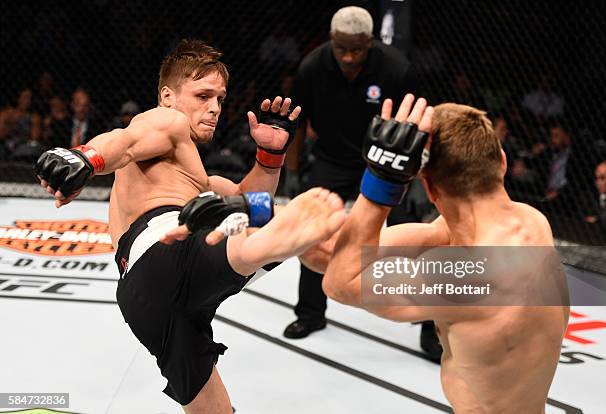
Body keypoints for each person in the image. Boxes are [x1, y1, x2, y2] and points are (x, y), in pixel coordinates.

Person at [34, 39, 346, 414]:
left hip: (146, 298)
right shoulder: (168, 120)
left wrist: (270, 158)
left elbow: (247, 204)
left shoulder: (195, 179)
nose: (214, 108)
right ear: (167, 95)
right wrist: (86, 158)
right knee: (311, 231)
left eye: (220, 98)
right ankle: (411, 265)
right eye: (203, 95)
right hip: (166, 254)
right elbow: (127, 141)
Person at [312, 94, 568, 413]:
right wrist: (266, 214)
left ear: (429, 189)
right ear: (501, 161)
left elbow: (339, 283)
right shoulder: (528, 219)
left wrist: (382, 181)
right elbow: (345, 251)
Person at [282, 5, 416, 340]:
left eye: (357, 49)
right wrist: (293, 171)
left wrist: (415, 180)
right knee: (313, 232)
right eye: (342, 48)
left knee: (411, 232)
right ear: (331, 40)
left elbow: (417, 126)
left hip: (386, 162)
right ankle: (310, 313)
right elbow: (296, 124)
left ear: (370, 41)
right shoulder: (313, 66)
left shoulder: (396, 69)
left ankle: (430, 322)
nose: (349, 57)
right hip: (332, 159)